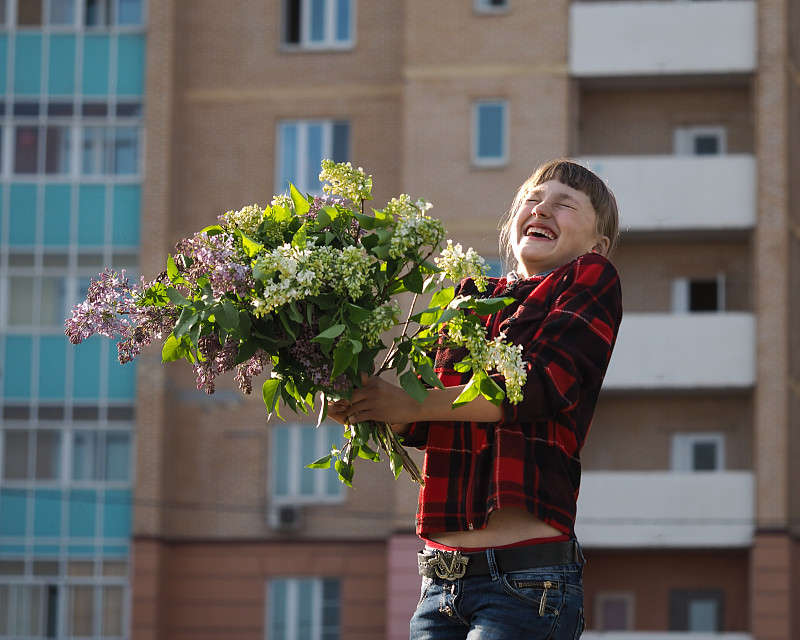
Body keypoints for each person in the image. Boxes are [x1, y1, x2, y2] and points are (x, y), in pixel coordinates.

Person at [329, 159, 622, 639]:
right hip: (440, 586)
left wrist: (407, 404)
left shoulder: (591, 277)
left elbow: (539, 385)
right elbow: (432, 421)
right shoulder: (469, 299)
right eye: (532, 199)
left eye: (565, 204)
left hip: (528, 583)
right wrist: (369, 403)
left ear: (598, 244)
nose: (543, 208)